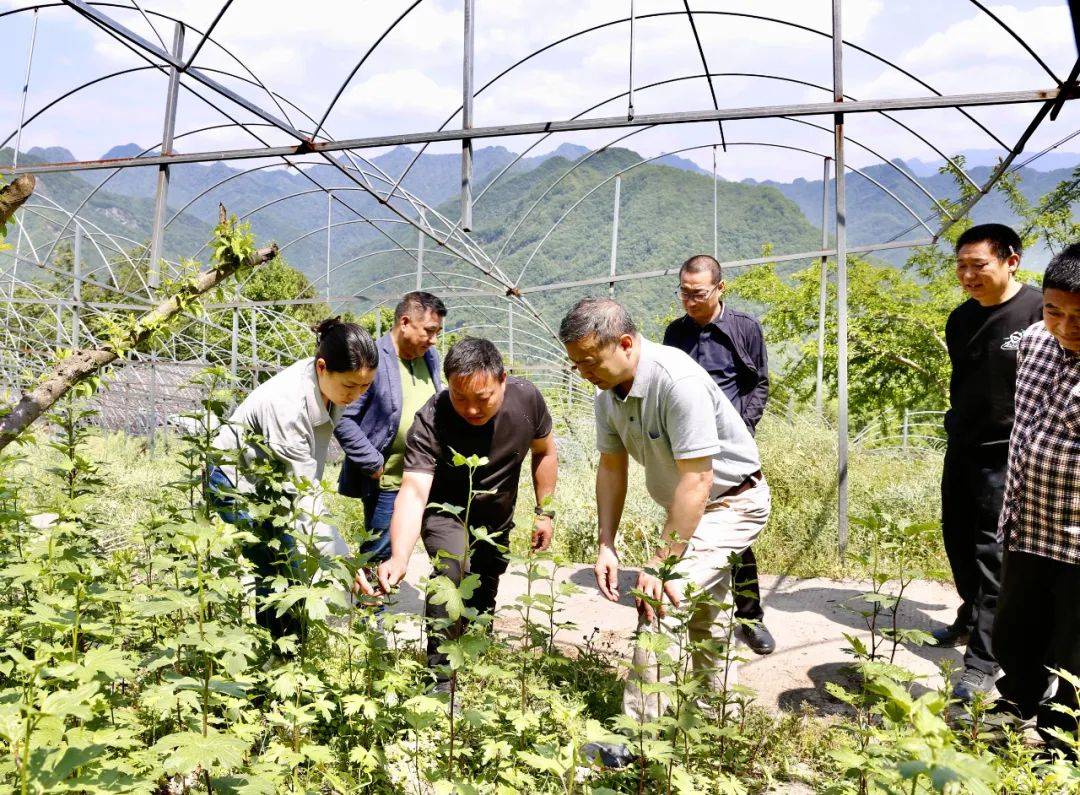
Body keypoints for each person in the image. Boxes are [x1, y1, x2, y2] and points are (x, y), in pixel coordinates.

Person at [559, 298, 769, 766]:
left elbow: (698, 479)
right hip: (691, 508)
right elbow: (611, 468)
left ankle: (636, 739)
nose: (583, 372)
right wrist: (606, 544)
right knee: (705, 615)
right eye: (576, 363)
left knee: (661, 601)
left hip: (732, 502)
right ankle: (720, 719)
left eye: (589, 361)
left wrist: (659, 562)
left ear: (626, 343)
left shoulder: (678, 382)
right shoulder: (606, 394)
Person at [360, 337, 558, 691]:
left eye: (482, 399)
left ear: (502, 379)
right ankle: (440, 680)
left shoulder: (527, 399)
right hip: (445, 511)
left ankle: (477, 664)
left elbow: (544, 451)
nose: (471, 410)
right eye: (460, 397)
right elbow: (414, 489)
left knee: (484, 586)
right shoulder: (432, 416)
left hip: (496, 515)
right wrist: (399, 555)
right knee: (451, 570)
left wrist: (546, 512)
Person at [211, 317, 378, 643]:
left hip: (273, 477)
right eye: (349, 386)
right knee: (278, 565)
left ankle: (281, 648)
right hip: (233, 478)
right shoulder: (286, 403)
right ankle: (278, 655)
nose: (357, 395)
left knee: (289, 563)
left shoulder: (332, 386)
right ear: (321, 367)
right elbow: (301, 493)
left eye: (365, 386)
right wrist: (342, 558)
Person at [938, 223, 1043, 702]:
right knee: (958, 539)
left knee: (992, 555)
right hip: (962, 447)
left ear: (1011, 260)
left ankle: (982, 661)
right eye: (961, 265)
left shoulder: (1040, 312)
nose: (967, 275)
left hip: (1010, 454)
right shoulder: (960, 320)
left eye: (978, 265)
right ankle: (969, 613)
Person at [991, 244, 1080, 756]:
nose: (1065, 325)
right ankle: (1015, 701)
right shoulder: (1032, 343)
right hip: (1027, 519)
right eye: (1053, 309)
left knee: (1074, 645)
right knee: (1016, 628)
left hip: (1078, 538)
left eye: (1079, 316)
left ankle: (1062, 739)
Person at [662, 253, 774, 655]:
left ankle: (749, 619)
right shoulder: (675, 333)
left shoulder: (743, 328)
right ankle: (698, 608)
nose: (690, 301)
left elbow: (758, 382)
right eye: (684, 293)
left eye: (698, 294)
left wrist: (744, 426)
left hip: (729, 446)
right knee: (688, 523)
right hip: (688, 446)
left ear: (719, 288)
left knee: (736, 537)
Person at [336, 292, 446, 569]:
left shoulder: (430, 357)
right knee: (378, 552)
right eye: (430, 331)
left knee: (424, 546)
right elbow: (343, 418)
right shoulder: (372, 359)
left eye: (438, 332)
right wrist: (373, 463)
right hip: (387, 480)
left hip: (424, 476)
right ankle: (372, 610)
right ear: (405, 322)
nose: (434, 340)